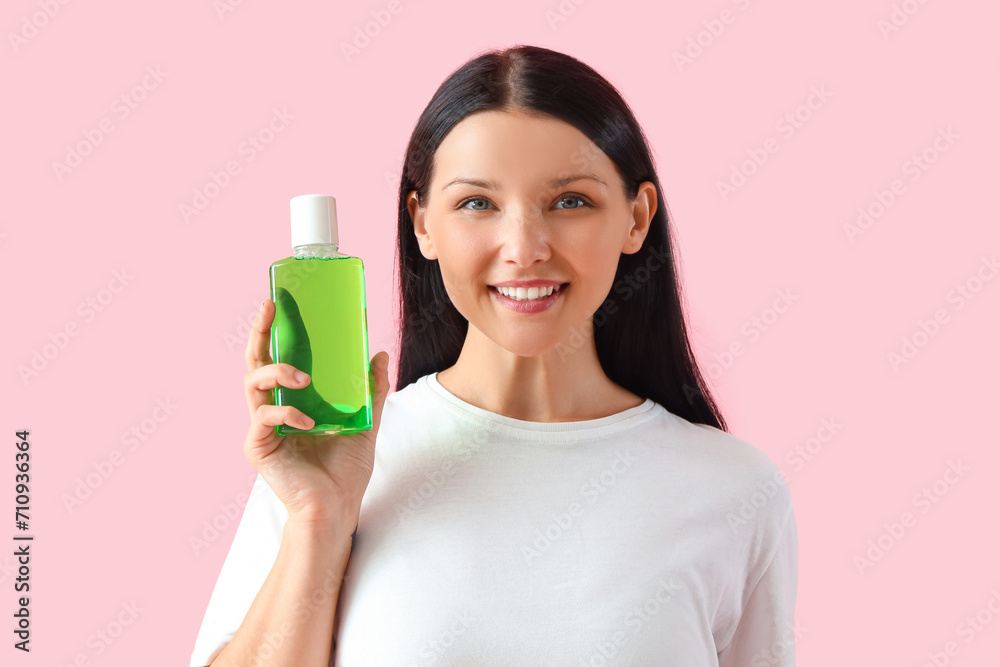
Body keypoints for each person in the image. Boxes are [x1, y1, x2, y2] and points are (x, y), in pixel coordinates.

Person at [190, 44, 798, 666]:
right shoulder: (333, 459)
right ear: (422, 224)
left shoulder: (734, 491)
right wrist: (321, 520)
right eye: (477, 203)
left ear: (636, 218)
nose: (524, 248)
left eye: (570, 201)